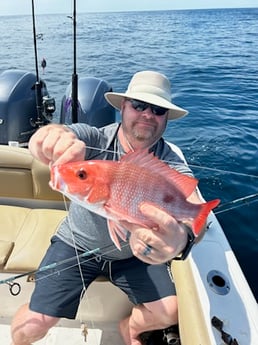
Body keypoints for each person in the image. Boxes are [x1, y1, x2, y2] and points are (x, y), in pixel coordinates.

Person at [11, 70, 203, 345]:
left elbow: (195, 207)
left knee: (171, 311)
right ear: (123, 107)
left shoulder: (168, 161)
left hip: (134, 257)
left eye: (158, 109)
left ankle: (130, 328)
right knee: (31, 327)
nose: (147, 114)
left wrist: (183, 238)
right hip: (76, 245)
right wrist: (47, 138)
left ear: (166, 118)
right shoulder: (94, 139)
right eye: (138, 105)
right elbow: (63, 134)